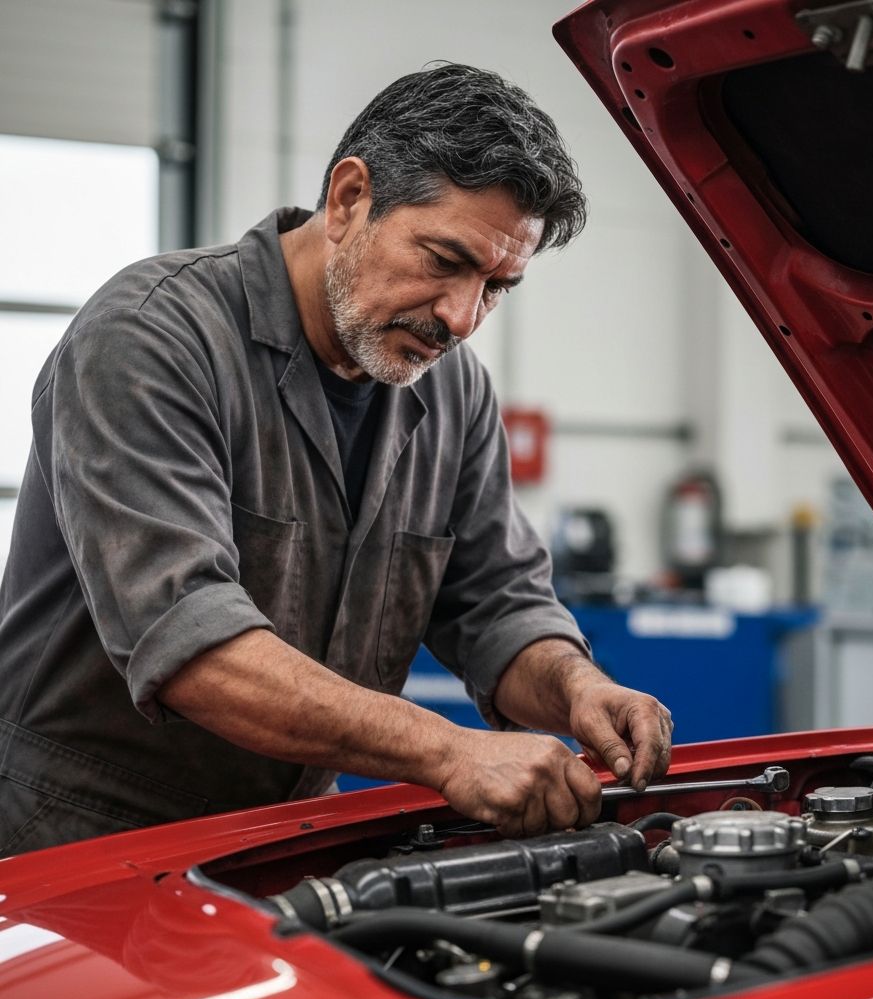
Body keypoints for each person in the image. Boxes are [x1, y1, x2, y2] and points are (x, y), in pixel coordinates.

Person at [0, 63, 672, 856]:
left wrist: (577, 687)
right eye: (445, 260)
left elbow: (496, 604)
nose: (461, 317)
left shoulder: (452, 393)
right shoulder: (149, 338)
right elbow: (190, 647)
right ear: (350, 198)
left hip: (282, 841)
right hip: (78, 838)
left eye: (497, 287)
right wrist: (449, 749)